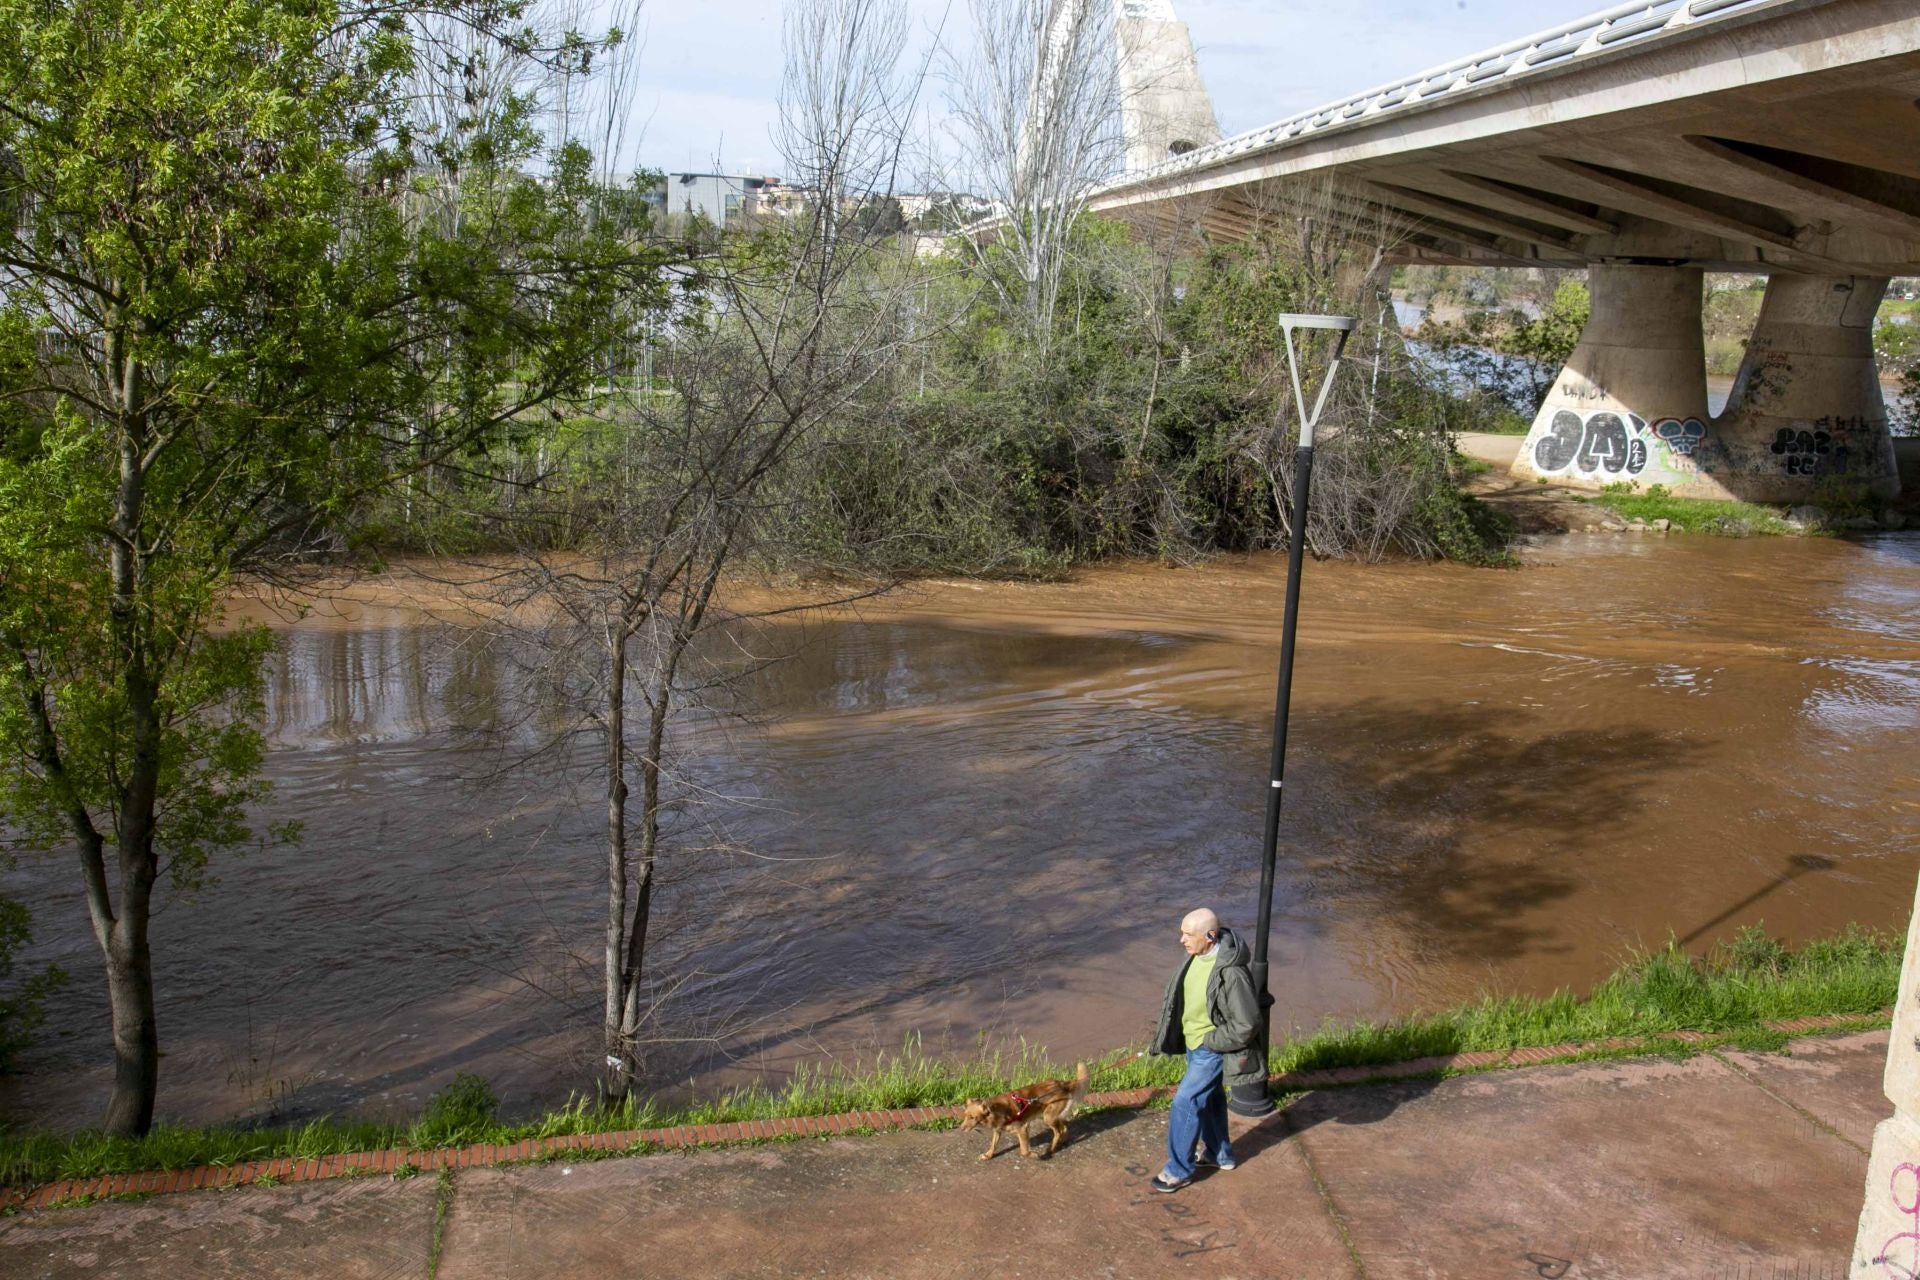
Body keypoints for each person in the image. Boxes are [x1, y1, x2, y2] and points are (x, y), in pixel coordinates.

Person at [1145, 907, 1263, 1193]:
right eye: (1181, 933)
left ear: (1210, 936)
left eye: (1188, 934)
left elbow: (1247, 1023)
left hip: (1210, 1048)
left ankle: (1178, 1171)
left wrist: (1211, 1042)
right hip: (1194, 1045)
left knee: (1185, 1102)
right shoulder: (1195, 956)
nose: (1182, 940)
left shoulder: (1232, 973)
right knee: (1209, 1100)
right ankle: (1218, 1154)